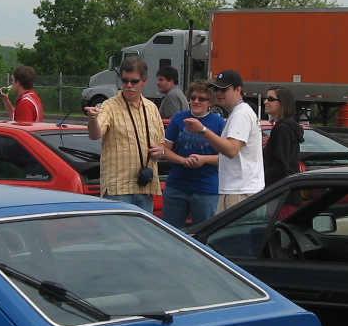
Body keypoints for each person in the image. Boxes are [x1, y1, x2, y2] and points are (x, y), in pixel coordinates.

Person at [85, 58, 165, 212]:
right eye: (125, 80)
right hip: (118, 188)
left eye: (134, 81)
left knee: (143, 229)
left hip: (145, 186)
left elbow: (161, 144)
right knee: (117, 229)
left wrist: (160, 152)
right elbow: (96, 134)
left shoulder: (151, 108)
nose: (129, 85)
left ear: (144, 81)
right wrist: (93, 119)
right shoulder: (109, 106)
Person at [184, 69, 263, 210]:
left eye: (224, 89)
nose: (219, 93)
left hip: (239, 192)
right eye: (216, 89)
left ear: (238, 90)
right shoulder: (239, 112)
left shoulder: (241, 114)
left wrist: (202, 130)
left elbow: (231, 150)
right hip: (241, 189)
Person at [161, 81, 223, 226]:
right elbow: (165, 150)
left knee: (205, 232)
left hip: (206, 188)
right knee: (171, 232)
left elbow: (227, 156)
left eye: (201, 98)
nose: (196, 101)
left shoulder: (219, 123)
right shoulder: (178, 119)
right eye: (193, 97)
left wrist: (204, 159)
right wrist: (182, 160)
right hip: (177, 185)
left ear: (210, 102)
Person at [263, 85, 303, 186]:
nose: (265, 102)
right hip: (287, 187)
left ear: (282, 103)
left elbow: (281, 165)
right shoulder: (287, 127)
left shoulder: (282, 129)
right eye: (266, 98)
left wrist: (260, 177)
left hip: (280, 189)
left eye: (271, 99)